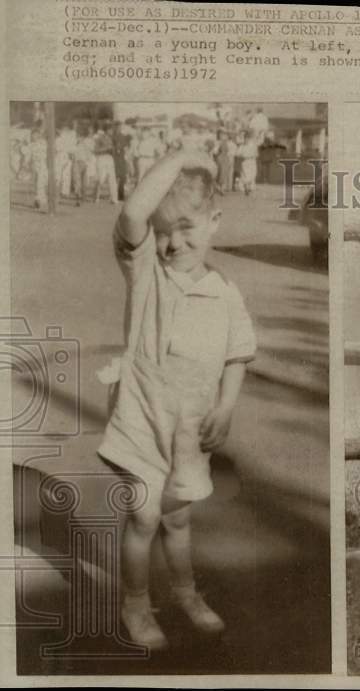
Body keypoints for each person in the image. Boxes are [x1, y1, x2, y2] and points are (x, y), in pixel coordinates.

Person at [96, 149, 256, 650]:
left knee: (178, 516)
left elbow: (237, 355)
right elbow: (132, 214)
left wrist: (226, 408)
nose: (172, 243)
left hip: (192, 426)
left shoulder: (226, 292)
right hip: (141, 415)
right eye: (163, 231)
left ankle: (186, 593)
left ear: (214, 223)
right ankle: (137, 603)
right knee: (145, 514)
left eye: (186, 228)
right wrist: (184, 156)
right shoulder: (148, 274)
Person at [26, 127, 48, 210]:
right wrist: (27, 163)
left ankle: (39, 200)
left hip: (42, 164)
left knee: (40, 183)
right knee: (35, 184)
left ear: (38, 135)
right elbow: (29, 155)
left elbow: (46, 154)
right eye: (32, 135)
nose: (33, 137)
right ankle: (37, 200)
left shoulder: (43, 143)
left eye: (35, 135)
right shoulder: (31, 145)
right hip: (34, 165)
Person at [235, 131, 258, 195]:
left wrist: (251, 155)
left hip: (252, 161)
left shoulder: (253, 145)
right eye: (245, 138)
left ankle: (249, 186)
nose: (246, 140)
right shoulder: (242, 146)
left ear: (250, 139)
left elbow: (256, 154)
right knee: (245, 175)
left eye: (248, 138)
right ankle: (246, 187)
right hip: (245, 162)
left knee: (252, 174)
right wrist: (241, 155)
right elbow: (237, 153)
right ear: (244, 138)